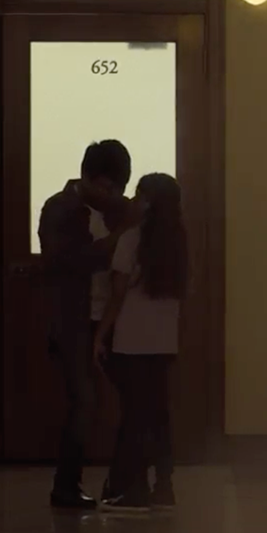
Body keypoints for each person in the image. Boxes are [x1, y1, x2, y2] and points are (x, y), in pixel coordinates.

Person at [36, 140, 137, 510]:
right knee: (84, 401)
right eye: (107, 188)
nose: (113, 196)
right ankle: (66, 485)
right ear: (87, 177)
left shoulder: (118, 210)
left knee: (133, 397)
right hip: (73, 320)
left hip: (112, 317)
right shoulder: (58, 208)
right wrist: (120, 236)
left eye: (119, 189)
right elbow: (68, 261)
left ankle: (125, 482)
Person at [95, 173, 185, 513]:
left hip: (132, 341)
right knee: (158, 414)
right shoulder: (178, 242)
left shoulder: (131, 239)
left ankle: (132, 490)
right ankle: (164, 487)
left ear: (148, 203)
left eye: (138, 196)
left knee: (134, 416)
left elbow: (117, 295)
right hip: (164, 342)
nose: (132, 202)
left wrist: (100, 335)